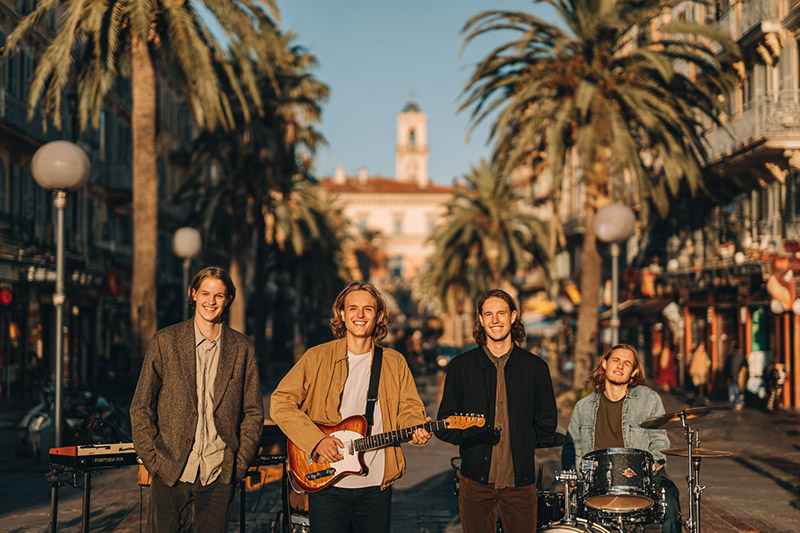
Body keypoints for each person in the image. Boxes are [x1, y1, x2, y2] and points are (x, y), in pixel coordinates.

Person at [270, 281, 431, 533]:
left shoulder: (394, 361)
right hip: (327, 482)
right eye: (353, 308)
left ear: (378, 316)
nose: (360, 315)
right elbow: (281, 402)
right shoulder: (316, 357)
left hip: (377, 484)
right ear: (342, 314)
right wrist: (316, 441)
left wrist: (415, 428)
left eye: (368, 309)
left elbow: (409, 408)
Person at [130, 266, 264, 532]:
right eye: (205, 293)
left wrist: (237, 465)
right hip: (170, 470)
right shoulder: (166, 341)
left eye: (219, 295)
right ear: (193, 294)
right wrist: (153, 460)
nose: (211, 301)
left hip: (219, 472)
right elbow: (141, 406)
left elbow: (253, 412)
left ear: (228, 300)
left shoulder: (243, 348)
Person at [436, 289, 558, 533]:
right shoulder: (461, 367)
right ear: (480, 319)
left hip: (521, 483)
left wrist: (521, 444)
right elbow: (444, 422)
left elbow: (547, 422)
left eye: (501, 313)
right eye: (488, 314)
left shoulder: (536, 368)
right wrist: (470, 441)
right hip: (474, 483)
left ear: (513, 316)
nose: (495, 320)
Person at [562, 344, 681, 533]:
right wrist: (573, 475)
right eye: (616, 360)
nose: (620, 366)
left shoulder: (648, 399)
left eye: (627, 363)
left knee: (670, 496)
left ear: (633, 372)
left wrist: (656, 461)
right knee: (572, 506)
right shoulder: (583, 406)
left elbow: (659, 438)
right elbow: (570, 446)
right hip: (595, 479)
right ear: (604, 363)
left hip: (639, 476)